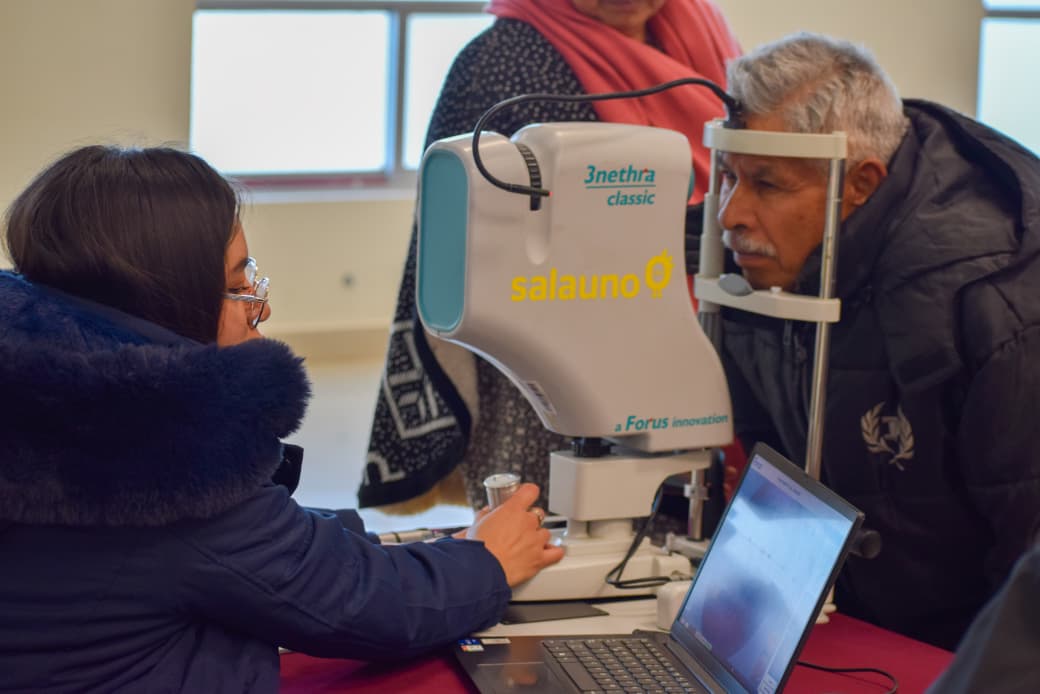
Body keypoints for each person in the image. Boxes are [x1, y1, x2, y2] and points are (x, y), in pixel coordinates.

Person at [0, 145, 563, 692]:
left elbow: (248, 548)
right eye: (236, 287)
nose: (261, 307)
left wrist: (377, 541)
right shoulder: (160, 457)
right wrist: (487, 560)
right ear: (163, 298)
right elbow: (366, 603)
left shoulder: (42, 398)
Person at [713, 33, 1040, 650]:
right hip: (852, 631)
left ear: (861, 183)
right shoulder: (766, 265)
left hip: (967, 652)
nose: (731, 215)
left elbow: (1029, 570)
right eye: (729, 177)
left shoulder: (995, 302)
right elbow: (777, 483)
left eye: (768, 185)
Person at [362, 0, 741, 512]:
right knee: (543, 517)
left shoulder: (702, 38)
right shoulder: (501, 61)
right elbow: (464, 220)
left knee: (675, 514)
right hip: (546, 331)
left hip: (683, 320)